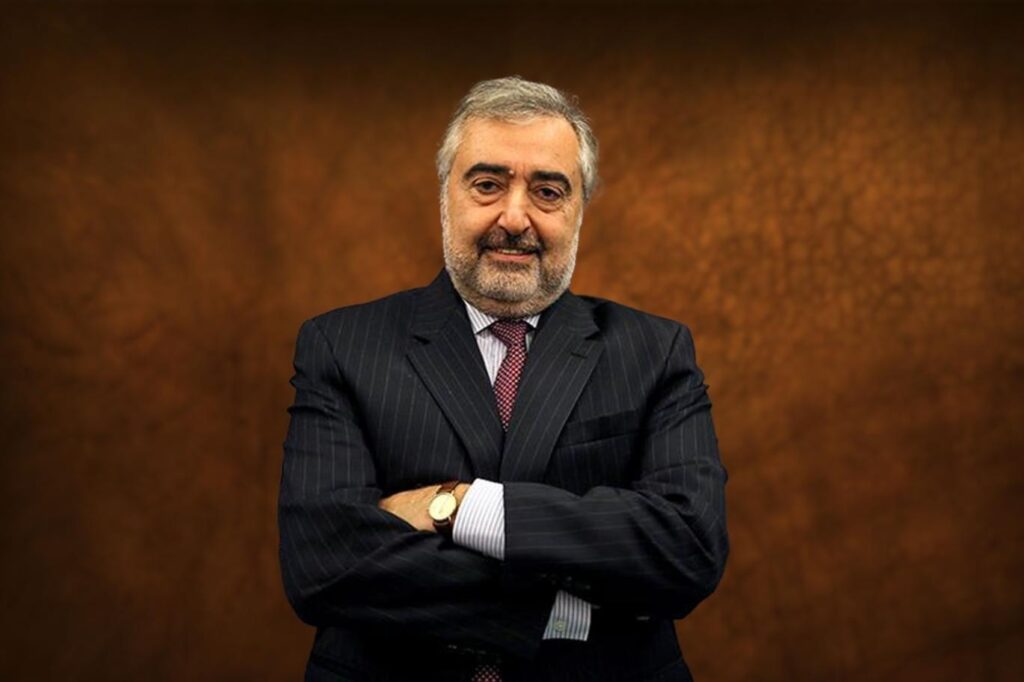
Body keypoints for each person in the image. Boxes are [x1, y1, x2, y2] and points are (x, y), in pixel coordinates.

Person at [279, 76, 728, 682]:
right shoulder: (341, 346)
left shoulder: (656, 352)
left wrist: (460, 507)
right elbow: (323, 565)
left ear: (579, 210)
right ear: (445, 196)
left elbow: (688, 547)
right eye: (488, 185)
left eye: (547, 191)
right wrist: (563, 610)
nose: (515, 218)